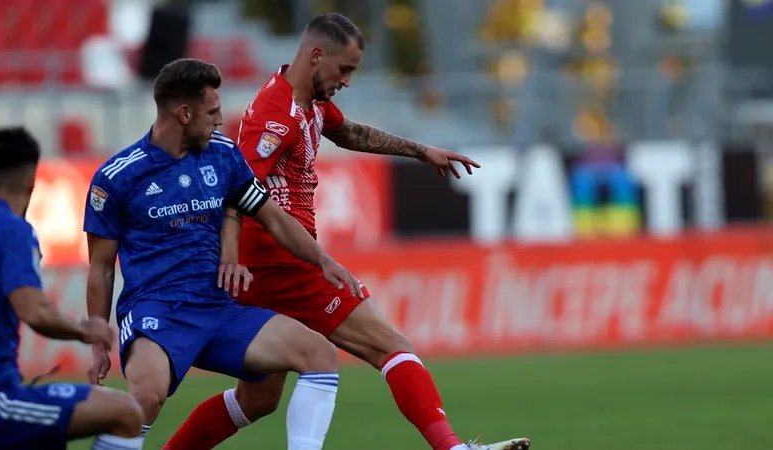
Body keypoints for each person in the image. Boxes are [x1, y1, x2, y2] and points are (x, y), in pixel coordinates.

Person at [167, 12, 531, 450]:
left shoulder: (310, 102)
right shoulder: (274, 115)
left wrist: (420, 151)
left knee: (258, 399)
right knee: (391, 345)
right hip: (282, 261)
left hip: (266, 264)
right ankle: (452, 448)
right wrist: (231, 255)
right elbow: (235, 189)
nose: (347, 81)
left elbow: (350, 132)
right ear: (317, 56)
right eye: (345, 69)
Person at [84, 58, 365, 450]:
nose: (220, 121)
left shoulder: (223, 155)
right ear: (184, 114)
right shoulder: (117, 178)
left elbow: (274, 218)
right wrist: (98, 342)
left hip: (219, 309)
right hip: (157, 311)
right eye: (212, 112)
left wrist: (324, 260)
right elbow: (100, 269)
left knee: (318, 353)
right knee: (146, 397)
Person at [0, 127, 144, 450]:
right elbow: (34, 310)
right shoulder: (13, 229)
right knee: (125, 413)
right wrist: (83, 330)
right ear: (32, 182)